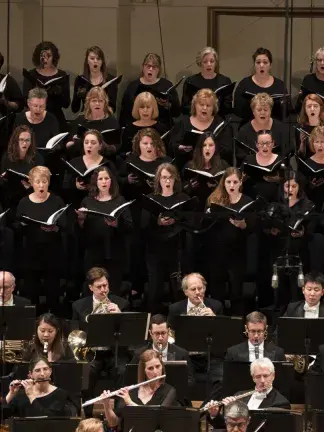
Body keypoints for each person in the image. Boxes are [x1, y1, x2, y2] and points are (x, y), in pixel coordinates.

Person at [120, 128, 171, 298]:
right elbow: (120, 186)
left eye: (152, 143)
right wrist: (127, 181)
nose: (148, 147)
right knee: (137, 248)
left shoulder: (165, 162)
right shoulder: (130, 160)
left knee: (158, 250)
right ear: (138, 145)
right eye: (145, 143)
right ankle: (137, 285)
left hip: (159, 209)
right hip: (137, 210)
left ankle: (161, 288)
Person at [72, 267, 129, 418]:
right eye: (99, 287)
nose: (104, 290)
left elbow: (129, 334)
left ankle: (117, 415)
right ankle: (89, 416)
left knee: (122, 370)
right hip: (91, 352)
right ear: (91, 287)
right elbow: (75, 333)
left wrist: (119, 316)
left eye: (106, 285)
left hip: (114, 351)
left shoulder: (121, 304)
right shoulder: (78, 306)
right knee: (87, 371)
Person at [256, 170, 316, 309]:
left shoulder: (307, 205)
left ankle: (297, 322)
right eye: (287, 186)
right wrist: (271, 230)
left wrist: (302, 233)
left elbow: (311, 231)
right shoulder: (275, 205)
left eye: (294, 187)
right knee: (279, 292)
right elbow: (263, 227)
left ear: (299, 187)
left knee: (297, 291)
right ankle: (278, 323)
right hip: (279, 251)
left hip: (299, 252)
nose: (290, 190)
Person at [15, 166, 66, 311]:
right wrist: (24, 224)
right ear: (31, 183)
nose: (41, 185)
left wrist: (55, 228)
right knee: (31, 291)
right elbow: (17, 225)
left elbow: (64, 225)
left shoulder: (56, 200)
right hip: (31, 253)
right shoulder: (24, 202)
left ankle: (54, 322)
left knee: (53, 291)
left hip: (52, 252)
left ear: (48, 182)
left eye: (44, 181)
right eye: (37, 182)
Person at [76, 166, 133, 295]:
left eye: (106, 178)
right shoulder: (87, 201)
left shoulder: (120, 200)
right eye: (100, 179)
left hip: (114, 252)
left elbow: (129, 226)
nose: (103, 181)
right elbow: (81, 233)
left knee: (113, 290)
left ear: (111, 181)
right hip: (94, 252)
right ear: (95, 181)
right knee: (93, 289)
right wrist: (81, 220)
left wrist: (116, 224)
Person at [204, 167, 254, 314]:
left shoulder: (247, 201)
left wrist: (244, 225)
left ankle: (237, 324)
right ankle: (217, 322)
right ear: (223, 183)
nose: (231, 185)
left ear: (240, 183)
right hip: (216, 252)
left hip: (237, 253)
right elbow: (205, 225)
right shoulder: (215, 199)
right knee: (217, 290)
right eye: (228, 182)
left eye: (235, 182)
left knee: (236, 291)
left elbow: (253, 227)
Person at [143, 163, 190, 313]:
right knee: (154, 290)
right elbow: (143, 226)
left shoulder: (183, 198)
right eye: (164, 177)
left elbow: (191, 222)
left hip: (176, 250)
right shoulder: (151, 199)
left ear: (175, 179)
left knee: (178, 291)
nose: (167, 181)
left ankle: (179, 326)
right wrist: (157, 221)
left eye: (170, 177)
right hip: (155, 251)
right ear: (158, 180)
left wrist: (176, 220)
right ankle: (154, 326)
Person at [102, 349, 177, 429]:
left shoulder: (169, 392)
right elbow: (114, 423)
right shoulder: (130, 392)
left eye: (158, 366)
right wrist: (106, 405)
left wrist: (130, 403)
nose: (155, 372)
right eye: (150, 368)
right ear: (143, 371)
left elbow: (154, 421)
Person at [206, 358, 290, 429]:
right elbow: (224, 427)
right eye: (258, 376)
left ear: (273, 376)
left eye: (266, 376)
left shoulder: (281, 403)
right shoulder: (239, 396)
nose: (262, 381)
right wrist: (215, 414)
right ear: (253, 377)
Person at [171, 88, 232, 169]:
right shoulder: (183, 123)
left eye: (208, 105)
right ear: (195, 105)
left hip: (214, 168)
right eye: (201, 104)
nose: (205, 108)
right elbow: (172, 146)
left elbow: (227, 150)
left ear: (213, 108)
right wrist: (182, 148)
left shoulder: (221, 125)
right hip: (187, 167)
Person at [130, 314, 195, 387]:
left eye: (163, 333)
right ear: (150, 333)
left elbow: (190, 380)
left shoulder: (181, 353)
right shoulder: (140, 354)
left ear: (168, 331)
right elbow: (131, 380)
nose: (160, 338)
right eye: (157, 334)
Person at [119, 53, 181, 128]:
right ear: (143, 67)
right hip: (137, 128)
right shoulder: (133, 86)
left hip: (162, 127)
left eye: (154, 67)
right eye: (148, 66)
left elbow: (176, 112)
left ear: (159, 70)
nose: (151, 69)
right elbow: (125, 113)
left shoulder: (167, 85)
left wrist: (167, 105)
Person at [4, 357, 78, 417]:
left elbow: (46, 419)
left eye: (45, 369)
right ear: (31, 374)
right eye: (37, 370)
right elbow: (3, 415)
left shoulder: (61, 394)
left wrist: (31, 396)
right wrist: (11, 394)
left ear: (50, 371)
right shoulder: (21, 395)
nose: (42, 374)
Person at [22, 41, 70, 131]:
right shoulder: (31, 75)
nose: (45, 59)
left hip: (56, 117)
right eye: (42, 56)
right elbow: (25, 100)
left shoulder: (62, 75)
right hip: (35, 117)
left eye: (48, 55)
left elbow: (66, 104)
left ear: (54, 57)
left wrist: (59, 93)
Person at [234, 47, 290, 124]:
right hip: (250, 125)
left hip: (274, 127)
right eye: (258, 62)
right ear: (254, 65)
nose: (261, 65)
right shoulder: (244, 84)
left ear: (270, 65)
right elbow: (238, 110)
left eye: (265, 62)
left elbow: (286, 111)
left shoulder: (280, 85)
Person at [0, 125, 43, 220]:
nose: (25, 143)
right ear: (16, 141)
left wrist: (31, 186)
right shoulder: (7, 157)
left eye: (27, 140)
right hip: (10, 198)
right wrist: (3, 178)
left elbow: (42, 183)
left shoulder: (37, 158)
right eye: (21, 140)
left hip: (30, 197)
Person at [236, 93, 291, 164]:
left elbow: (288, 151)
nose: (262, 112)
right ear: (253, 112)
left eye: (265, 110)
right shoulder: (244, 131)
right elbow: (240, 156)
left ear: (270, 111)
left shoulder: (281, 128)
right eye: (259, 110)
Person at [63, 129, 112, 207]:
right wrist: (75, 185)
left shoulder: (107, 164)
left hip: (100, 205)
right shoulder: (74, 162)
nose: (89, 145)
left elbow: (114, 188)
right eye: (86, 142)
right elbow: (65, 185)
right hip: (77, 204)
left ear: (100, 146)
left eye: (93, 143)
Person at [67, 86, 120, 160]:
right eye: (94, 101)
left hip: (104, 160)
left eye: (100, 101)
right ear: (89, 102)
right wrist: (74, 142)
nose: (97, 104)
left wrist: (106, 147)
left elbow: (116, 148)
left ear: (105, 103)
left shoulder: (112, 121)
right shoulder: (80, 120)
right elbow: (68, 145)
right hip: (82, 158)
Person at [181, 46, 232, 118]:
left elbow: (228, 107)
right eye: (205, 62)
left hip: (218, 119)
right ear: (200, 63)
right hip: (196, 119)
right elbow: (185, 106)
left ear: (215, 63)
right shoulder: (191, 81)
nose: (209, 64)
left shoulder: (225, 81)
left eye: (212, 61)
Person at [183, 131, 229, 211]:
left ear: (215, 147)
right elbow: (181, 190)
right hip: (196, 208)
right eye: (204, 145)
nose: (207, 148)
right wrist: (190, 186)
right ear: (200, 148)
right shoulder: (190, 166)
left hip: (217, 206)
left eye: (211, 145)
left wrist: (218, 185)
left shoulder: (223, 165)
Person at [72, 46, 118, 113]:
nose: (95, 61)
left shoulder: (110, 80)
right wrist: (78, 95)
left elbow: (113, 108)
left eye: (98, 59)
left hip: (104, 117)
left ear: (102, 62)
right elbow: (74, 109)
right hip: (86, 117)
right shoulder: (80, 80)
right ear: (87, 61)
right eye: (92, 58)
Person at [120, 91, 168, 156]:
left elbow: (167, 152)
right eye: (142, 107)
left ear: (153, 109)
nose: (145, 110)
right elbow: (123, 153)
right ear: (137, 109)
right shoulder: (129, 129)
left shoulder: (161, 128)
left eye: (148, 107)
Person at [242, 129, 282, 202]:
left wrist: (278, 179)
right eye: (261, 143)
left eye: (268, 143)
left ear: (273, 144)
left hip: (274, 202)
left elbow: (289, 180)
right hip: (251, 200)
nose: (265, 146)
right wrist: (243, 178)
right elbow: (241, 179)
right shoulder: (248, 159)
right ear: (256, 144)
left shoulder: (280, 160)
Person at [301, 125, 324, 211]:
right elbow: (302, 189)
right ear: (312, 143)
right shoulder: (306, 163)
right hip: (314, 203)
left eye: (322, 142)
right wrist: (311, 186)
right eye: (317, 142)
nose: (320, 145)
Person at [295, 47, 324, 113]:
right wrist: (301, 98)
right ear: (316, 63)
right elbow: (298, 109)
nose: (322, 63)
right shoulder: (308, 79)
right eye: (319, 60)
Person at [296, 93, 324, 160]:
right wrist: (302, 143)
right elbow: (299, 156)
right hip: (308, 163)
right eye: (309, 106)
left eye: (315, 106)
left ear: (320, 108)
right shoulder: (300, 127)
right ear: (305, 109)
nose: (312, 109)